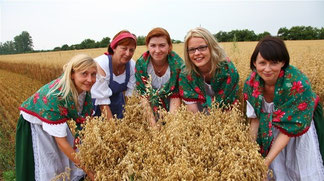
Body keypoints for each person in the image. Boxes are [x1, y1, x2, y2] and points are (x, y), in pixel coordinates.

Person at [243, 36, 324, 180]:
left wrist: (265, 162)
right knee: (277, 173)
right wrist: (250, 152)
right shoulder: (251, 83)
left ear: (283, 62)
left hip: (296, 131)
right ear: (254, 63)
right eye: (262, 63)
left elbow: (288, 130)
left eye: (274, 63)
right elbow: (255, 119)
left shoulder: (298, 84)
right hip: (270, 131)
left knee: (299, 169)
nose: (267, 69)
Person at [16, 54, 97, 181]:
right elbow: (62, 142)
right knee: (49, 164)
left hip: (54, 119)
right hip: (35, 123)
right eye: (84, 74)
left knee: (66, 161)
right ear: (72, 74)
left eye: (93, 74)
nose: (90, 79)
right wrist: (90, 171)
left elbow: (86, 121)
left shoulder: (83, 90)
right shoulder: (56, 97)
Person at [179, 27, 239, 113]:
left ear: (212, 47)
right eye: (192, 50)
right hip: (199, 120)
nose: (197, 53)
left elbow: (229, 108)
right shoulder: (185, 73)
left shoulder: (228, 71)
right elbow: (192, 112)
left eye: (202, 47)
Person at [135, 27, 184, 126]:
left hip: (174, 107)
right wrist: (153, 126)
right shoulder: (141, 64)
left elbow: (176, 95)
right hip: (149, 107)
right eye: (153, 45)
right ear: (147, 46)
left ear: (169, 46)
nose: (157, 50)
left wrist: (171, 126)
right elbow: (143, 96)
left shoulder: (177, 64)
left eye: (162, 45)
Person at [91, 30, 137, 119]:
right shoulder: (102, 64)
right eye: (124, 48)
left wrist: (130, 119)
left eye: (131, 50)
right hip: (96, 105)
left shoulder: (131, 65)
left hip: (118, 104)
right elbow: (102, 102)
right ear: (114, 48)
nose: (128, 53)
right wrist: (113, 129)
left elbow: (130, 97)